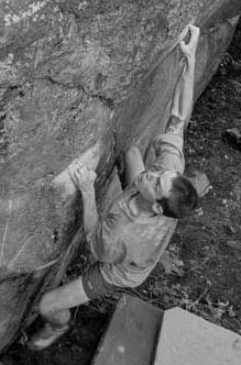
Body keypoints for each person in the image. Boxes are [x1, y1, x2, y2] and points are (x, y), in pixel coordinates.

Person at [28, 25, 209, 351]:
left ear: (157, 207)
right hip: (132, 222)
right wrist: (190, 58)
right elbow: (180, 116)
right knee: (132, 154)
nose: (153, 175)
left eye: (154, 182)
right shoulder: (168, 176)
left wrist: (86, 190)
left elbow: (94, 242)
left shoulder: (122, 234)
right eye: (159, 175)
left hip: (118, 268)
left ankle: (60, 326)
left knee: (48, 304)